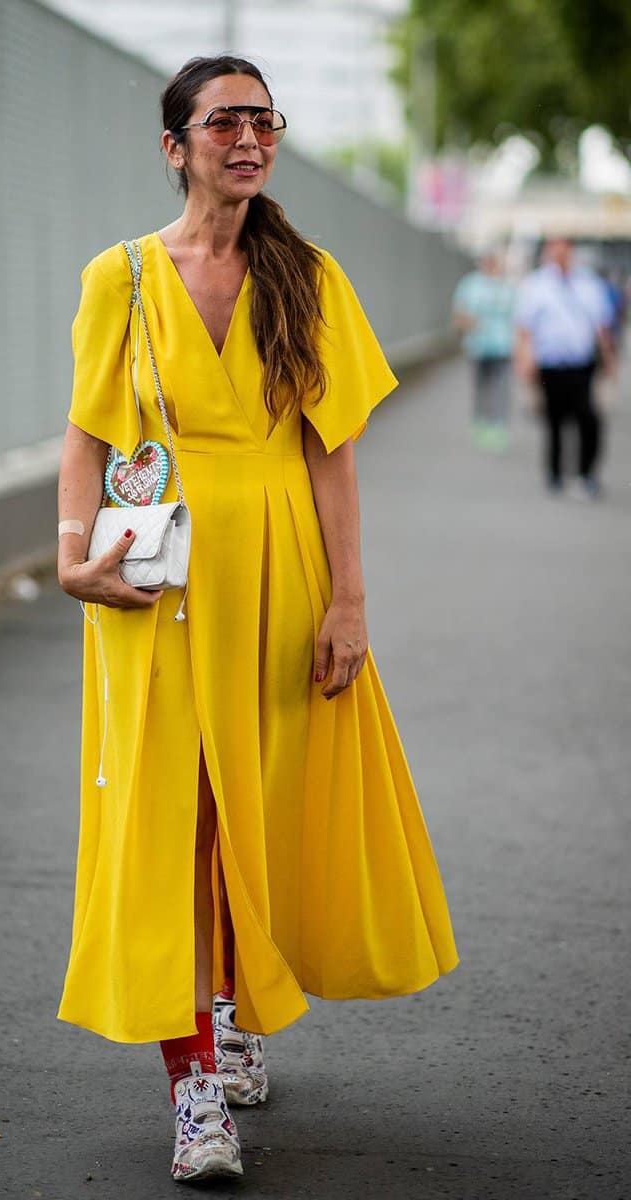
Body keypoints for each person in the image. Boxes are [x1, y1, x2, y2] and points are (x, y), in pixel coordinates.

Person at [56, 55, 458, 1185]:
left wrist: (347, 603)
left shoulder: (307, 275)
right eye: (223, 120)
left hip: (281, 569)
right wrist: (70, 561)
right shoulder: (119, 279)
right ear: (174, 144)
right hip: (158, 583)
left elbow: (329, 457)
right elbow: (86, 437)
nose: (249, 137)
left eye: (263, 120)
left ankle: (233, 1007)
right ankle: (194, 1091)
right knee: (174, 821)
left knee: (258, 808)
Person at [515, 238, 615, 498]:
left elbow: (602, 327)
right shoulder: (536, 285)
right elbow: (524, 329)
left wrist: (609, 361)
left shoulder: (588, 284)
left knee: (587, 417)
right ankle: (555, 473)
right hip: (549, 363)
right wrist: (525, 360)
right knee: (554, 420)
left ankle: (586, 473)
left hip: (581, 363)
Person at [452, 249, 516, 451]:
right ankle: (480, 422)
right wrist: (472, 322)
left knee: (501, 387)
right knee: (482, 387)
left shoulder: (507, 287)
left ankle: (498, 427)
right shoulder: (470, 284)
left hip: (503, 346)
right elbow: (458, 314)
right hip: (479, 346)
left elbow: (517, 317)